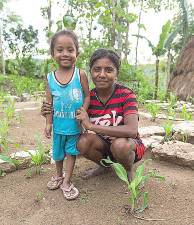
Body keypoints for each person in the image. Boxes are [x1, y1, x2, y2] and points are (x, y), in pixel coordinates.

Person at [42, 48, 145, 182]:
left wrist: (91, 126)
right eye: (97, 69)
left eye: (109, 70)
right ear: (90, 73)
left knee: (119, 145)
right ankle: (104, 166)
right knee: (83, 142)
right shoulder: (87, 98)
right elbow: (67, 111)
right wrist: (48, 111)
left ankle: (129, 170)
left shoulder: (126, 94)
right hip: (104, 146)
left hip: (129, 146)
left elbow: (132, 130)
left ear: (116, 74)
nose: (102, 74)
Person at [45, 29, 90, 200]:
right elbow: (49, 104)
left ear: (77, 53)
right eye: (60, 49)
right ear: (53, 53)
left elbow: (87, 95)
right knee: (57, 154)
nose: (65, 54)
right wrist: (48, 123)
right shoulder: (50, 78)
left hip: (74, 127)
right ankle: (58, 175)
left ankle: (67, 181)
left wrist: (83, 111)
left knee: (71, 153)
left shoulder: (81, 75)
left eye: (70, 50)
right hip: (58, 127)